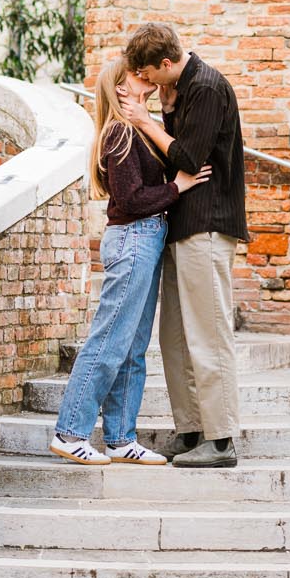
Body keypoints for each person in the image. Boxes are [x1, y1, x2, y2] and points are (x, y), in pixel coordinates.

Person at [51, 56, 211, 465]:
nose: (145, 77)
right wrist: (177, 187)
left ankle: (121, 439)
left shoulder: (136, 128)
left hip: (147, 239)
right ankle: (70, 433)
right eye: (135, 75)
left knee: (134, 346)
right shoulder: (118, 133)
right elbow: (131, 200)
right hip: (133, 239)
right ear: (119, 88)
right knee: (109, 341)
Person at [120, 23, 248, 469]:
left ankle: (221, 438)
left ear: (168, 64)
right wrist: (164, 110)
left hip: (208, 226)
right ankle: (192, 430)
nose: (147, 84)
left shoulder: (209, 88)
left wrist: (146, 121)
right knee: (174, 338)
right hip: (181, 225)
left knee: (209, 335)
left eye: (150, 76)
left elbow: (191, 159)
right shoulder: (178, 90)